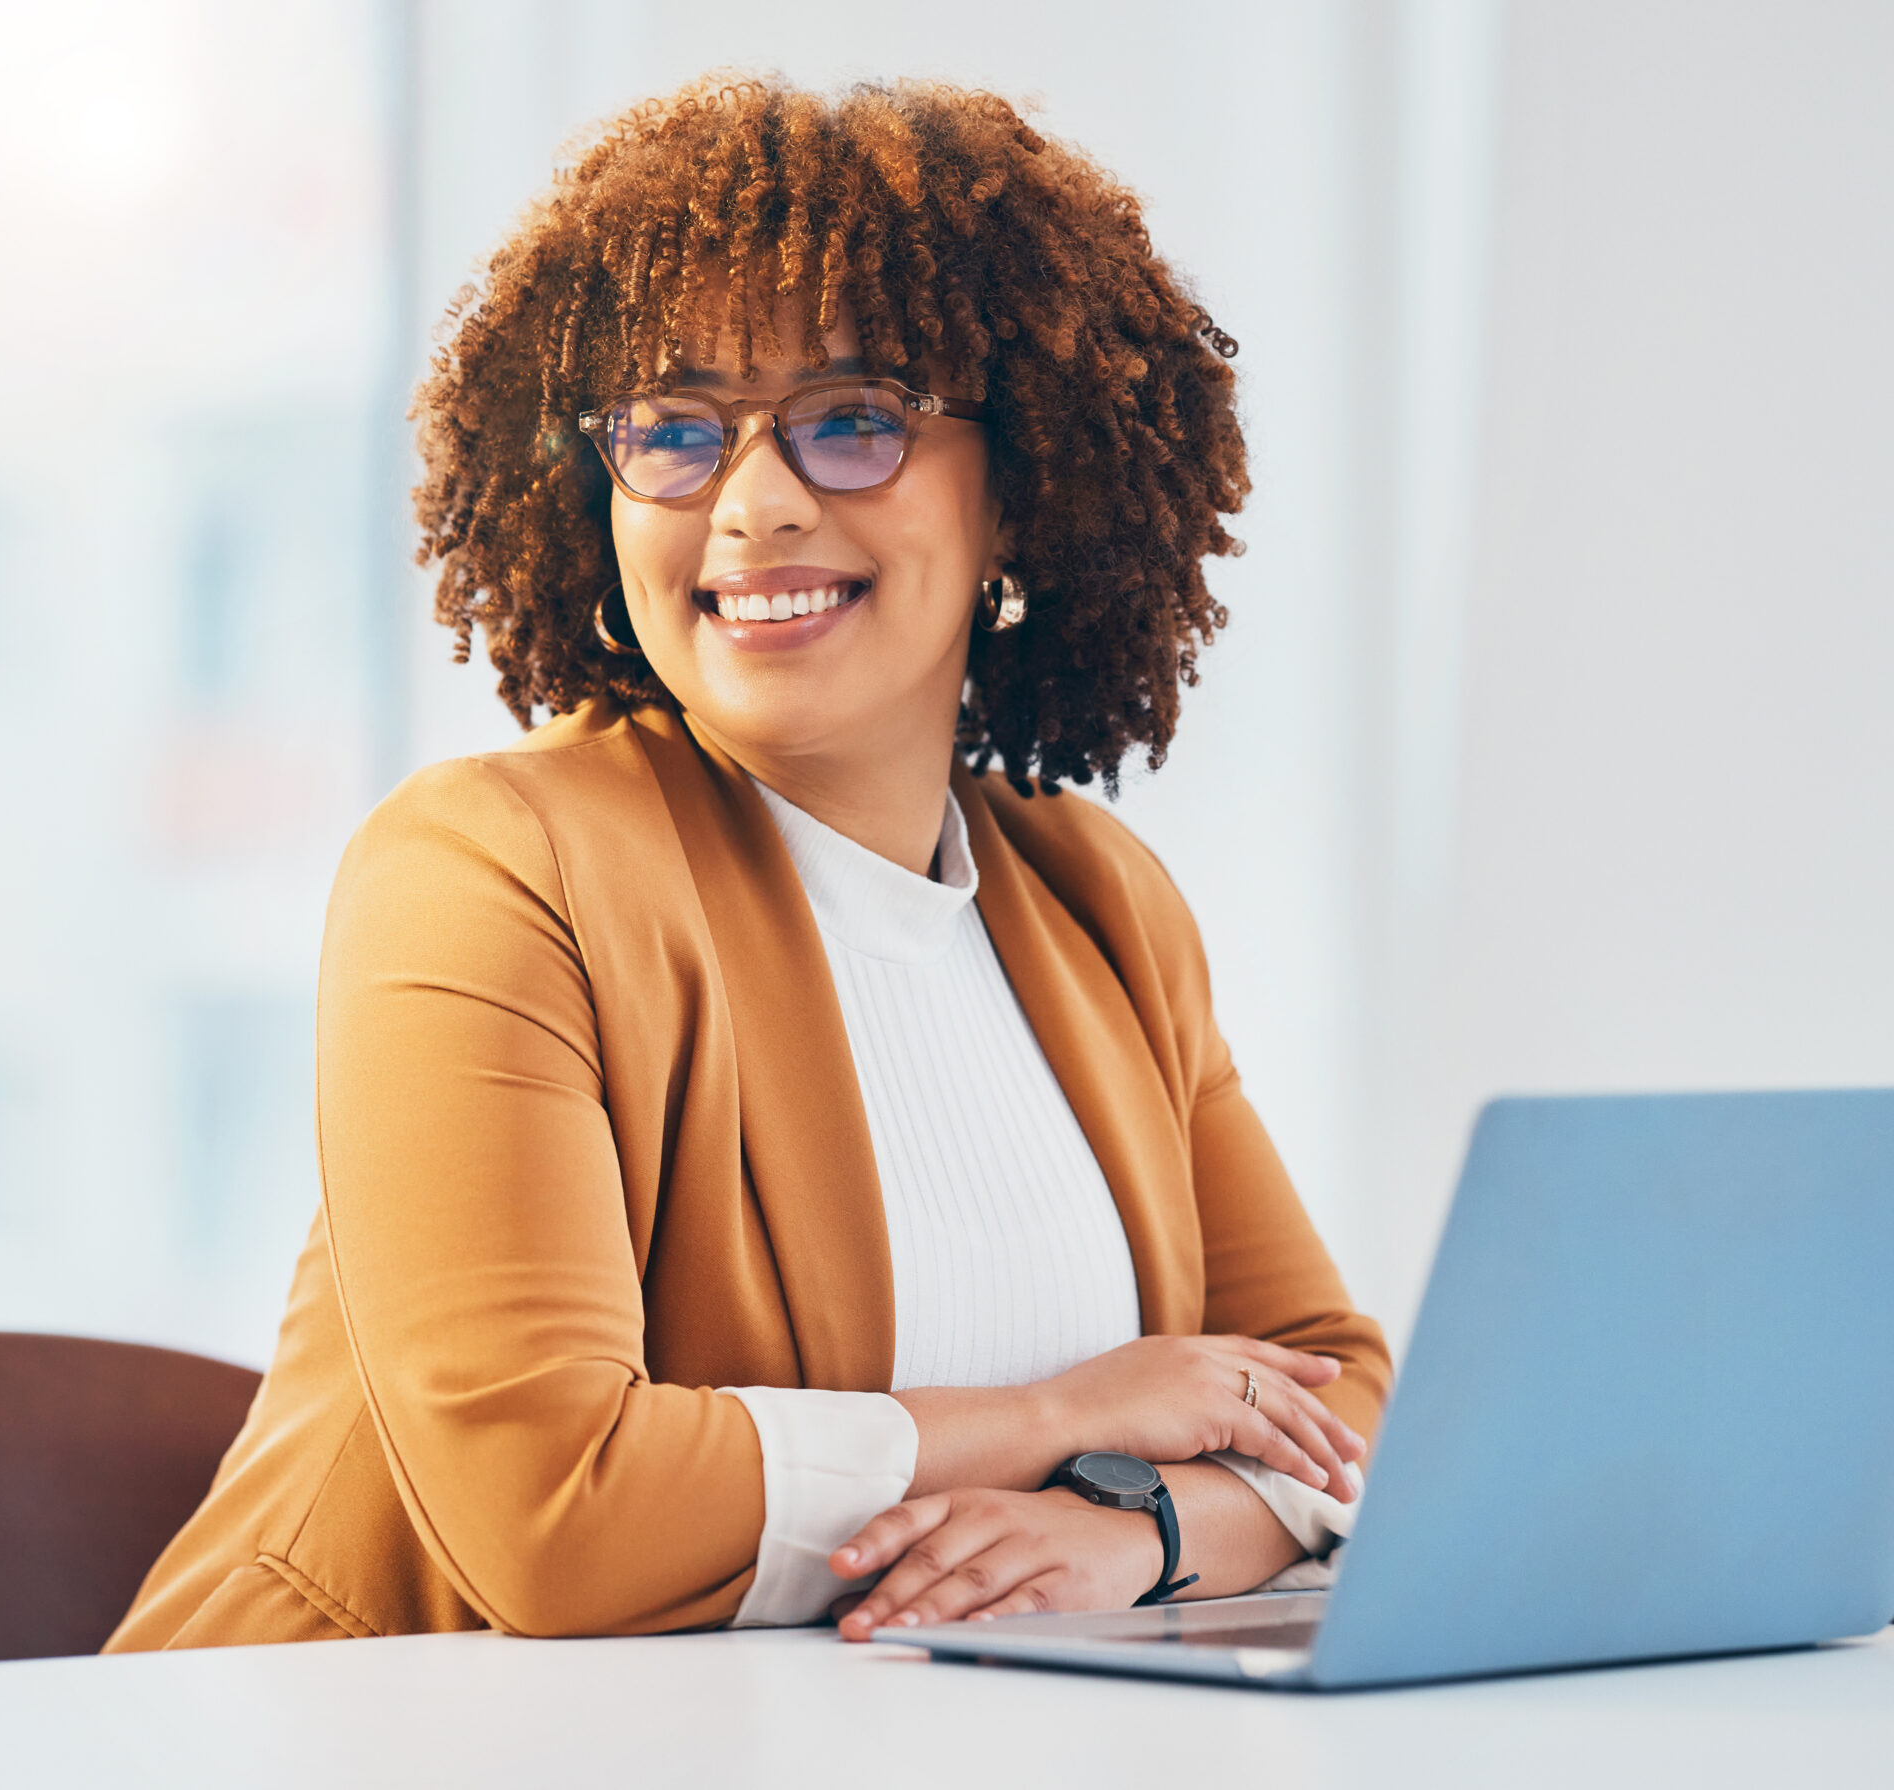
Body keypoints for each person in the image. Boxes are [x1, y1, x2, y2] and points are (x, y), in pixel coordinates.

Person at [105, 73, 1389, 1653]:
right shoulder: (490, 869)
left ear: (1022, 489)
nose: (757, 504)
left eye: (855, 419)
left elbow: (1346, 1397)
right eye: (677, 431)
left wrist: (1144, 1529)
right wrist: (1057, 1409)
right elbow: (554, 1512)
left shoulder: (1095, 901)